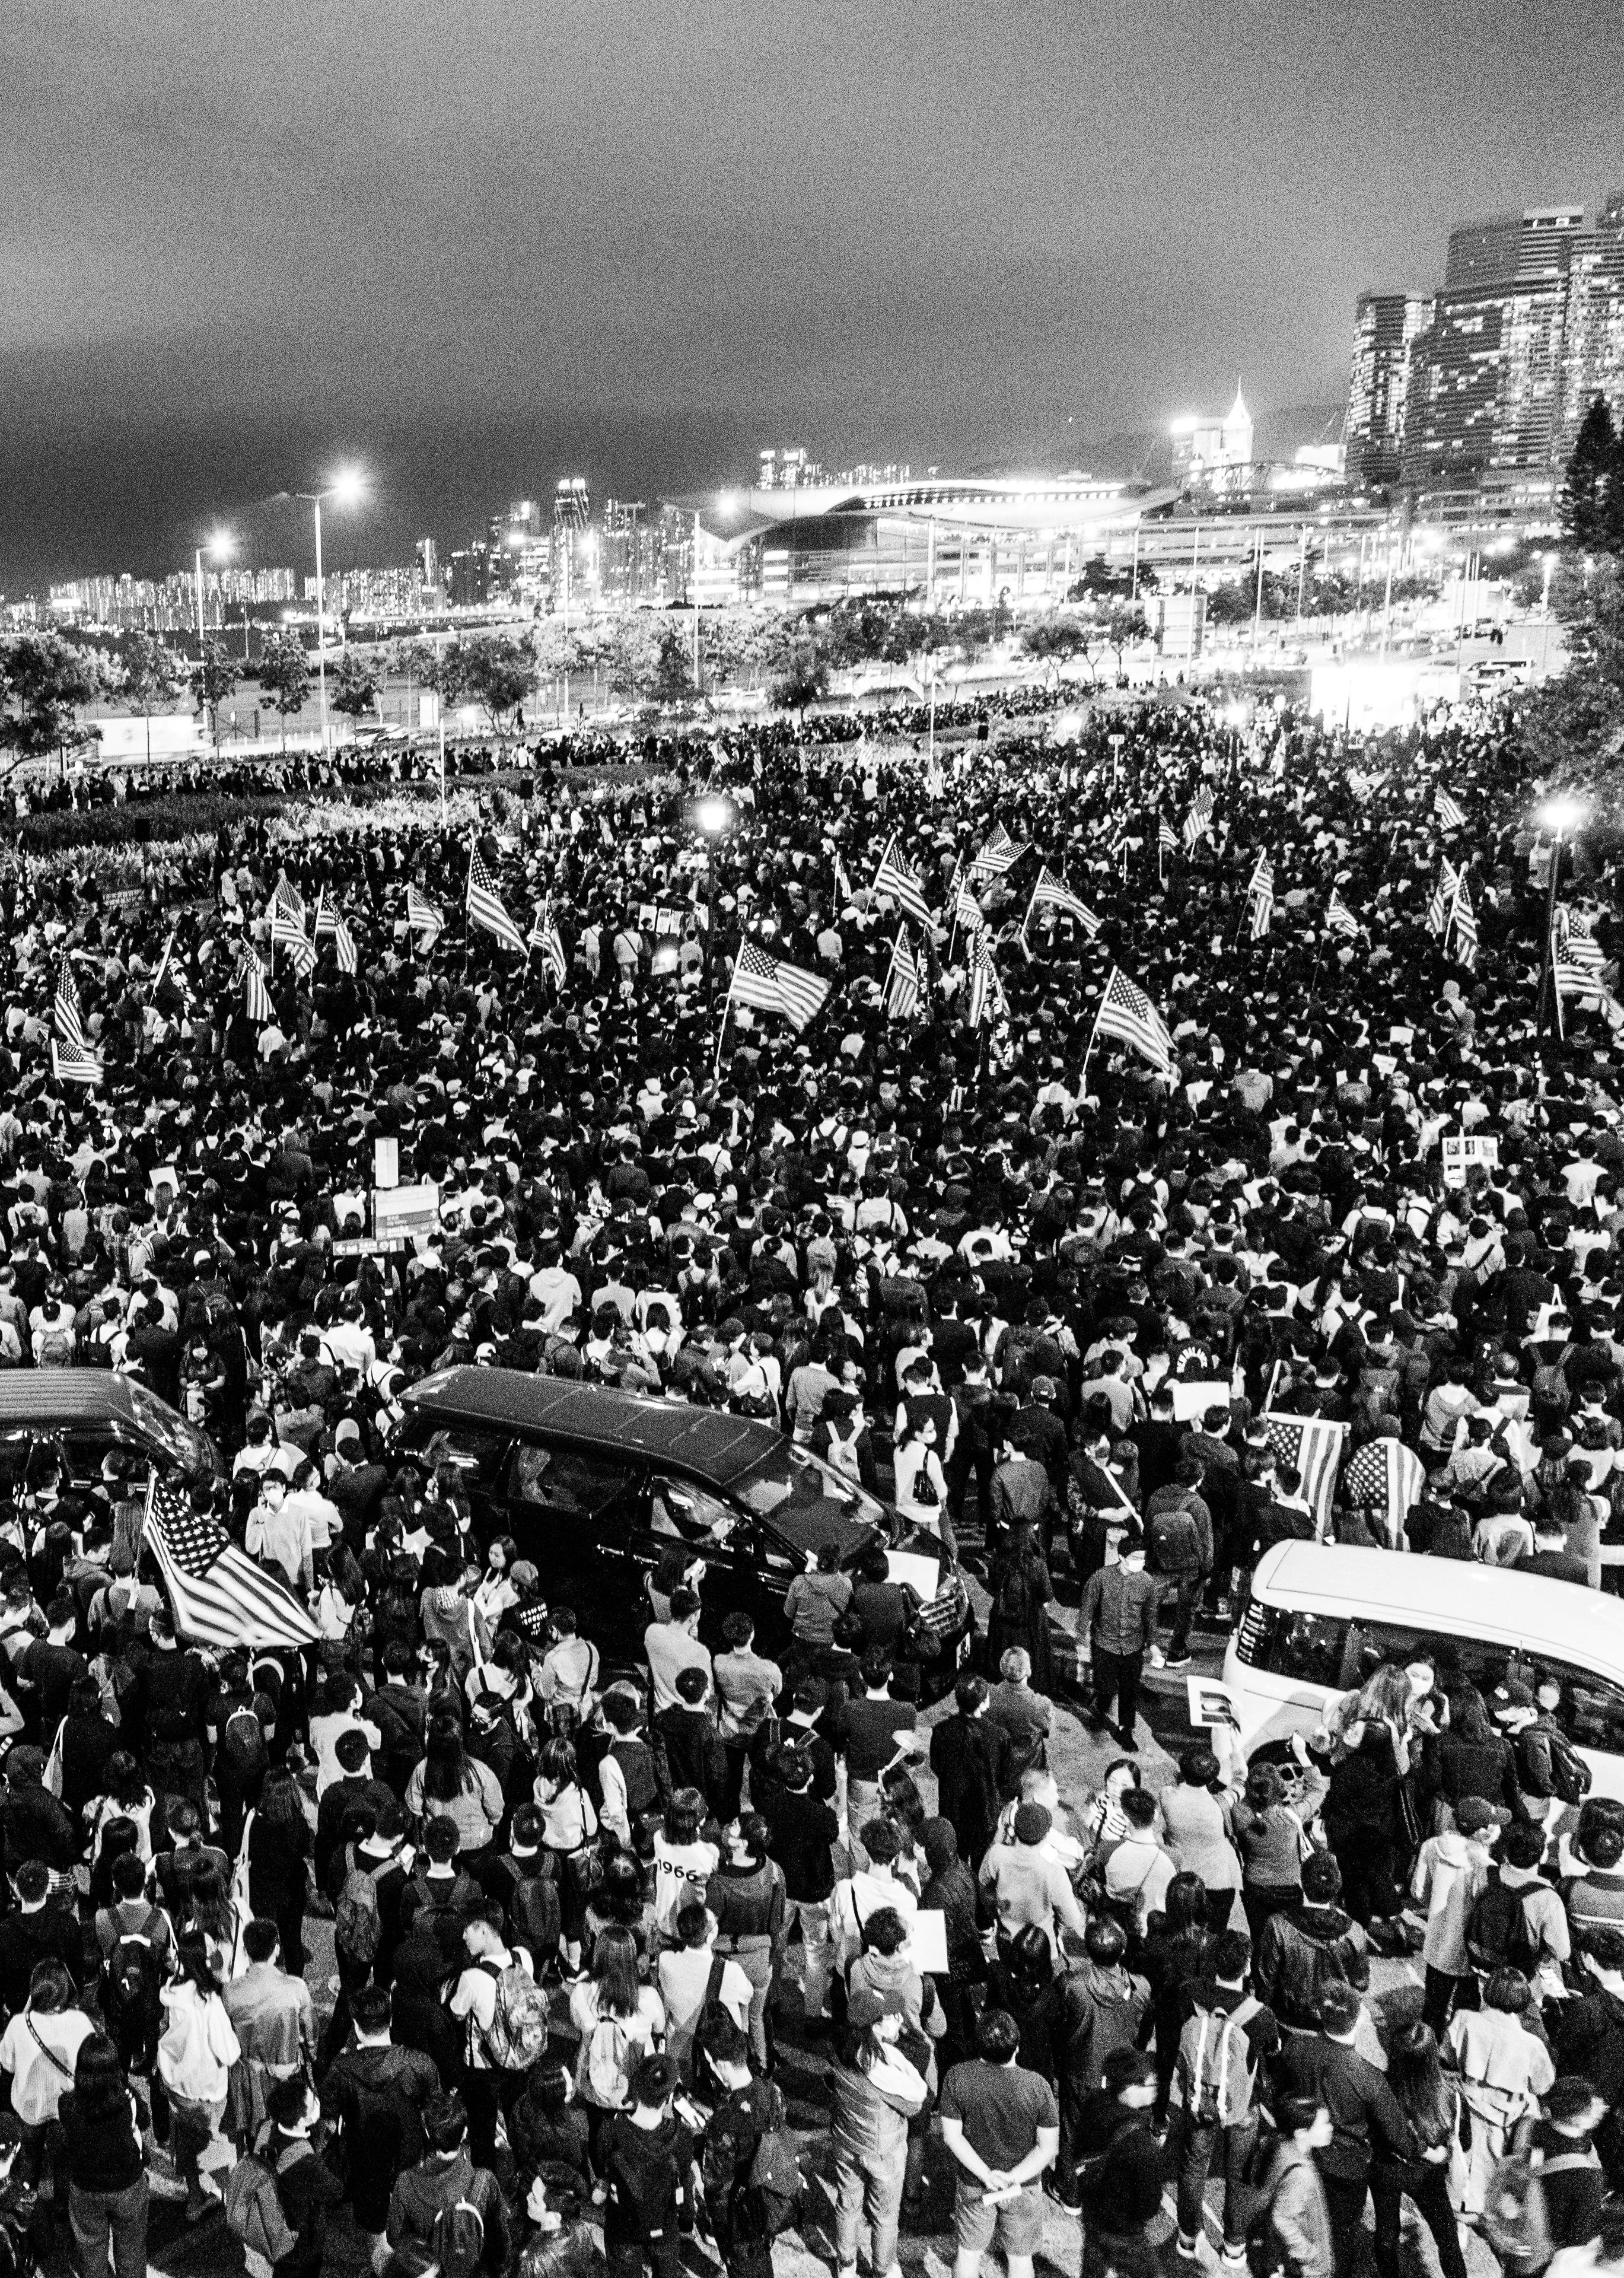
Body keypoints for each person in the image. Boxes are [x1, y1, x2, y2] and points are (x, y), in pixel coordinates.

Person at [1167, 1929, 1279, 2265]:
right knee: (1240, 2174)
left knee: (1194, 2166)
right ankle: (1233, 2245)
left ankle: (1188, 2237)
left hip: (1198, 2096)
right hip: (1243, 2104)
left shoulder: (1189, 1994)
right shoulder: (1259, 2014)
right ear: (1247, 1967)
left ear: (1213, 1962)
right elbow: (1272, 2053)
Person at [940, 2006, 1061, 2278]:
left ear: (978, 2044)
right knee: (1020, 2259)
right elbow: (1048, 2148)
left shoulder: (957, 2077)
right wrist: (1013, 2177)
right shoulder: (1038, 2086)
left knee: (968, 2254)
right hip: (1024, 2187)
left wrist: (987, 2175)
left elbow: (952, 2136)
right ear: (1017, 2047)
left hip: (974, 2183)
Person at [829, 2018, 930, 2278]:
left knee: (847, 2205)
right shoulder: (882, 2070)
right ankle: (883, 2270)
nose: (899, 2021)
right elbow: (916, 2102)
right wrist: (895, 2055)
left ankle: (846, 2265)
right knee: (885, 2217)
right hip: (884, 2152)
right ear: (873, 2025)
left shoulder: (841, 2050)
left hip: (846, 2143)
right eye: (892, 2017)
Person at [155, 1934, 240, 2222]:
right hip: (208, 2087)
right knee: (219, 2144)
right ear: (203, 1960)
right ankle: (232, 2198)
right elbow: (228, 2052)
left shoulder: (171, 1992)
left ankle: (195, 2196)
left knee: (186, 2143)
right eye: (211, 1949)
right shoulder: (210, 2003)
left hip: (177, 2083)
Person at [386, 2088, 511, 2277]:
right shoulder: (485, 2180)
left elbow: (395, 2238)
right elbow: (500, 2237)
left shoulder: (406, 2183)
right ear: (465, 2133)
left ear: (428, 2133)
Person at [597, 2054, 696, 2278]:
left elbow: (603, 2168)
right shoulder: (682, 2137)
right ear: (669, 2097)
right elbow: (684, 2175)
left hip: (623, 2228)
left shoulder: (610, 2132)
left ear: (636, 2088)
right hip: (664, 2226)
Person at [57, 2033, 148, 2278]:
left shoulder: (67, 2105)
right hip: (128, 2184)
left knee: (91, 2255)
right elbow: (145, 2121)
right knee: (132, 2253)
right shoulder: (127, 2099)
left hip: (86, 2187)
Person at [1078, 1533, 1159, 1752]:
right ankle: (1101, 1706)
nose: (1141, 1562)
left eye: (1143, 1558)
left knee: (1129, 1691)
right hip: (1105, 1644)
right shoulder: (1101, 1578)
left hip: (1133, 1646)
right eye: (1136, 1558)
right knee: (1104, 1686)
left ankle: (1125, 1729)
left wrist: (1153, 1644)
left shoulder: (1147, 1583)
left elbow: (1151, 1616)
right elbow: (1087, 1608)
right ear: (1122, 1557)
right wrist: (1082, 1636)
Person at [930, 1675, 1013, 1872]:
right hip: (984, 1814)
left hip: (952, 1811)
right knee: (980, 1866)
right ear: (984, 1703)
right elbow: (1005, 1778)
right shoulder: (1000, 1736)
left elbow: (937, 1767)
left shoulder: (941, 1731)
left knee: (952, 1866)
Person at [1253, 2096, 1336, 2278]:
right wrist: (1310, 2255)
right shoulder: (1301, 2174)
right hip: (1309, 2267)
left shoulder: (1283, 2146)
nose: (1330, 2128)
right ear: (1301, 2133)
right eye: (1323, 2124)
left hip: (1279, 2251)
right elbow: (1282, 2219)